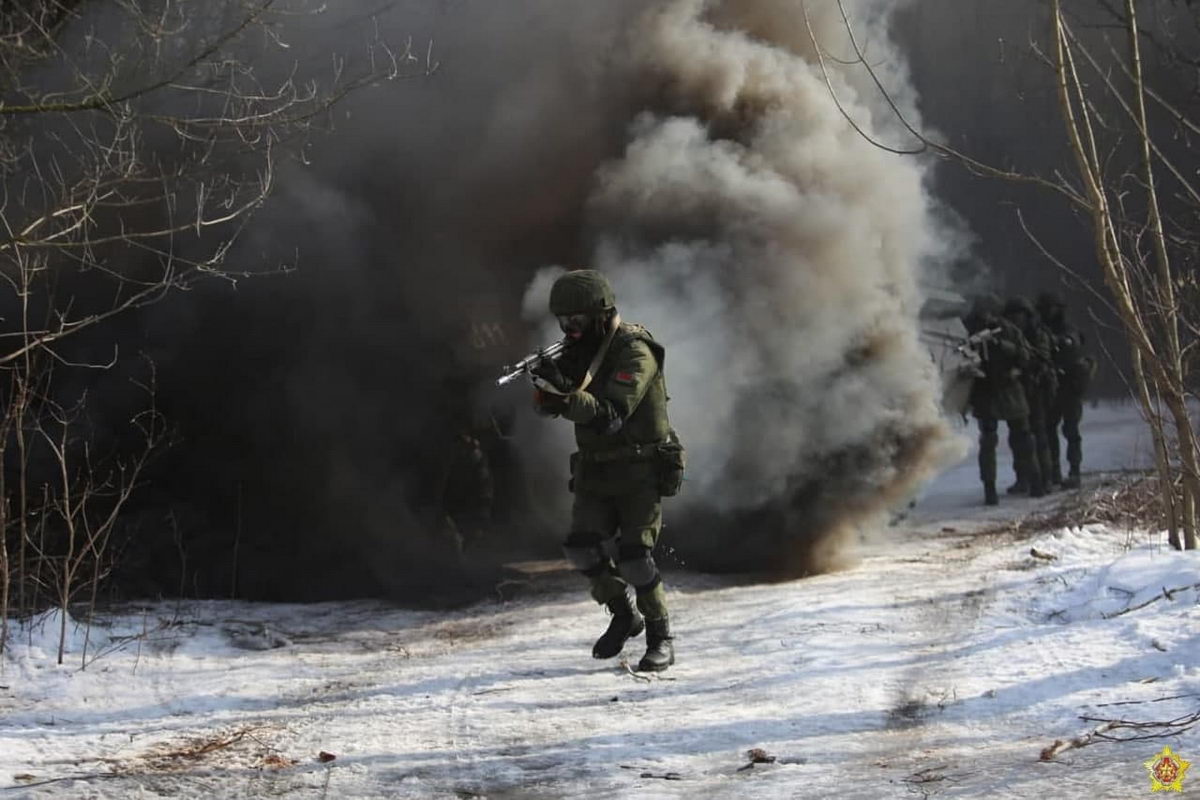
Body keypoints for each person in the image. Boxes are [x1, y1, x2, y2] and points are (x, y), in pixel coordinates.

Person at [529, 269, 682, 672]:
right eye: (563, 322)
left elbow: (611, 414)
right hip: (596, 472)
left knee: (634, 558)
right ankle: (621, 613)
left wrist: (564, 392)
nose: (570, 330)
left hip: (639, 470)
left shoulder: (635, 350)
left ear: (601, 313)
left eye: (576, 321)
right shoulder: (579, 350)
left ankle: (660, 636)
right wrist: (547, 388)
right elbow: (550, 407)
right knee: (581, 549)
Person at [962, 294, 1039, 505]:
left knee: (1023, 438)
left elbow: (1026, 356)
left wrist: (1003, 346)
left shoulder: (1007, 329)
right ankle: (990, 489)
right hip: (986, 390)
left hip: (1010, 389)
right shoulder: (968, 330)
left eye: (988, 312)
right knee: (988, 442)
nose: (985, 316)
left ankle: (1034, 481)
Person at [1036, 292, 1096, 489]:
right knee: (1049, 430)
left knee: (1071, 431)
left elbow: (1072, 341)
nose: (1048, 312)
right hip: (1050, 389)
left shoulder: (1067, 329)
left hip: (1069, 387)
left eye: (1051, 308)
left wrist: (1058, 342)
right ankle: (1054, 471)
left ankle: (1074, 471)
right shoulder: (1039, 329)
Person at [1003, 296, 1057, 496]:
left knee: (1040, 437)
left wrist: (1021, 358)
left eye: (1019, 315)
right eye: (1012, 316)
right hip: (1016, 392)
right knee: (1017, 438)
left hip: (1037, 390)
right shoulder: (1009, 334)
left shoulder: (1038, 333)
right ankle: (1022, 478)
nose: (1016, 320)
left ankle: (1047, 478)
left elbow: (1041, 357)